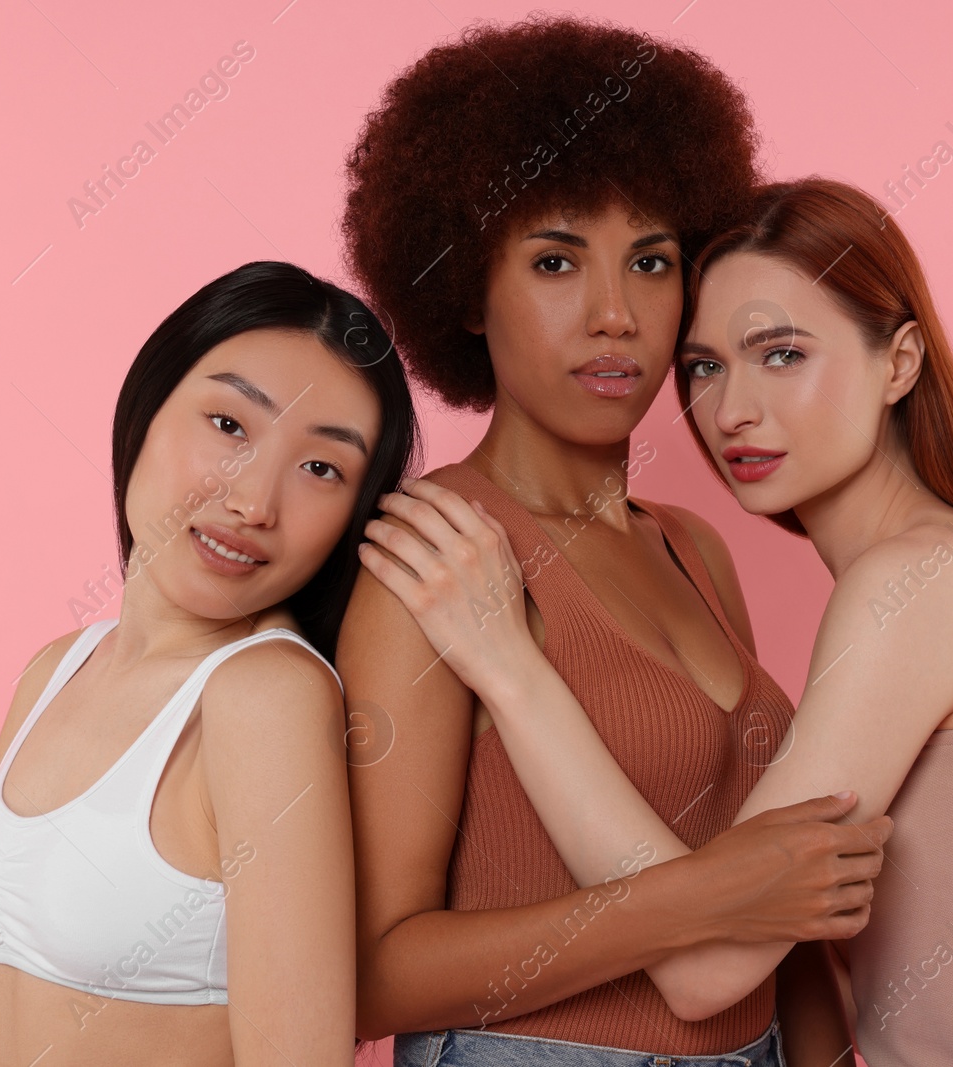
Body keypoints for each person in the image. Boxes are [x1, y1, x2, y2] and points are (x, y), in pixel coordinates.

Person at [361, 179, 953, 1067]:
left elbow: (722, 958)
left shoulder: (905, 583)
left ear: (899, 363)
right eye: (707, 366)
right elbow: (775, 922)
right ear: (469, 293)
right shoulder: (445, 553)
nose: (734, 410)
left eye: (781, 354)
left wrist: (515, 672)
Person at [337, 16, 891, 1067]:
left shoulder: (693, 548)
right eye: (555, 259)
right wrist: (697, 897)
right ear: (463, 290)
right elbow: (376, 968)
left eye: (649, 260)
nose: (614, 314)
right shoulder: (436, 555)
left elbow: (790, 919)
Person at [0, 261, 419, 1067]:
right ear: (146, 405)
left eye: (323, 468)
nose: (255, 501)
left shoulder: (267, 696)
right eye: (230, 425)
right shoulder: (58, 670)